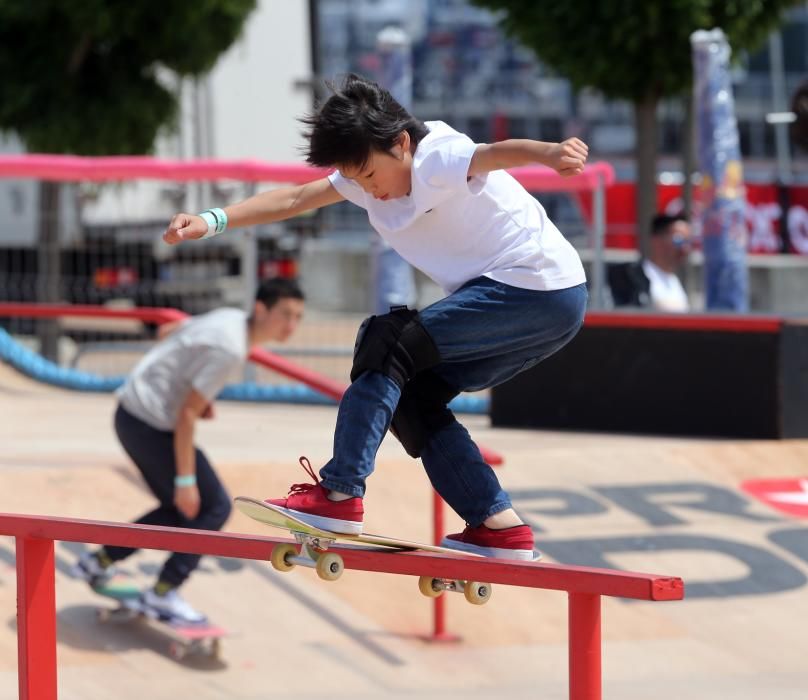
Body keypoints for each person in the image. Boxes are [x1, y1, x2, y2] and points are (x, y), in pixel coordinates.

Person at [163, 74, 589, 561]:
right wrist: (212, 220)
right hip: (537, 306)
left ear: (401, 143)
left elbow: (493, 153)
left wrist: (551, 153)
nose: (369, 190)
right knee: (411, 396)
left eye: (370, 175)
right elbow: (296, 199)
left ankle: (340, 494)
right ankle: (498, 526)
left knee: (389, 343)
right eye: (356, 180)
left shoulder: (435, 157)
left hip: (535, 287)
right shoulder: (364, 178)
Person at [73, 278, 305, 622]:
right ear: (260, 309)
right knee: (212, 507)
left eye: (298, 317)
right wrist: (185, 481)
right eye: (284, 314)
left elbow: (169, 331)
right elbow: (186, 415)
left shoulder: (228, 319)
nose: (291, 325)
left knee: (181, 510)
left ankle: (100, 561)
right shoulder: (230, 348)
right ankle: (163, 593)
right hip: (150, 425)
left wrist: (188, 391)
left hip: (134, 415)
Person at [608, 213, 693, 312]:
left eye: (688, 242)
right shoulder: (634, 278)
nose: (685, 248)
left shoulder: (676, 282)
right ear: (657, 239)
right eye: (679, 240)